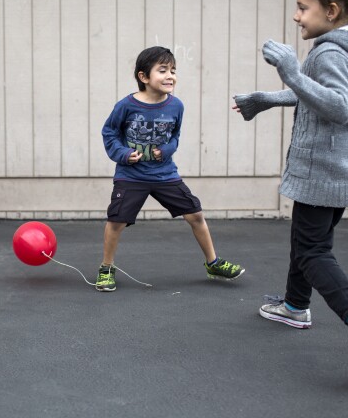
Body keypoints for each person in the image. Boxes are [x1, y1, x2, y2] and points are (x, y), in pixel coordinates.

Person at [232, 0, 348, 371]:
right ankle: (293, 305)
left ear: (333, 10)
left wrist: (288, 69)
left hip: (323, 171)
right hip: (339, 169)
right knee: (306, 240)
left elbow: (338, 106)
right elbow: (315, 90)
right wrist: (265, 98)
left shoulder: (331, 51)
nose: (296, 16)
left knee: (312, 250)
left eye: (303, 8)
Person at [97, 46, 245, 292]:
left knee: (195, 214)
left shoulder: (176, 106)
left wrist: (166, 151)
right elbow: (109, 132)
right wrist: (123, 154)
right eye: (162, 70)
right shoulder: (126, 106)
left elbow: (175, 137)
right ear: (144, 77)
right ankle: (106, 268)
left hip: (165, 174)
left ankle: (213, 262)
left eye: (173, 70)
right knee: (116, 221)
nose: (170, 76)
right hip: (131, 176)